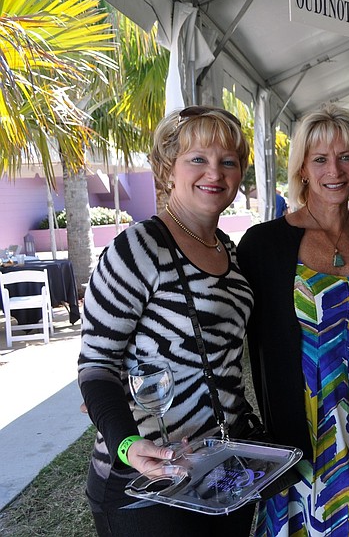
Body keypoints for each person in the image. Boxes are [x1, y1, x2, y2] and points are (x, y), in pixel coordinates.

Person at [77, 106, 255, 536]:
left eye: (228, 161)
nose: (214, 172)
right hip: (148, 484)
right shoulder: (137, 249)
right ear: (167, 168)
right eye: (198, 158)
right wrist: (127, 445)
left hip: (221, 471)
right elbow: (96, 366)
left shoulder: (229, 253)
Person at [237, 103, 349, 536]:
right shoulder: (264, 245)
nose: (336, 169)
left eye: (346, 157)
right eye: (321, 159)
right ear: (303, 169)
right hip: (304, 434)